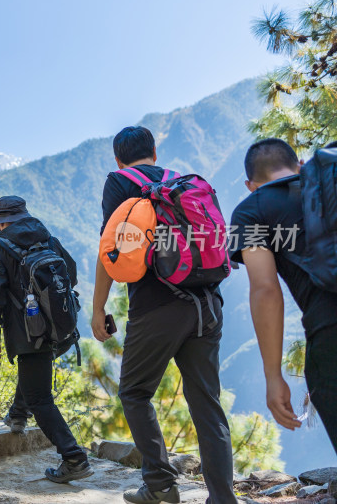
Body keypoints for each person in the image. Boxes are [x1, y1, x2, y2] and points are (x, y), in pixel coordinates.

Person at [91, 127, 237, 504]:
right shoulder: (183, 182)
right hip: (208, 303)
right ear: (154, 153)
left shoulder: (119, 182)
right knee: (207, 402)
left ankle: (159, 485)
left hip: (158, 306)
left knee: (135, 392)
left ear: (118, 158)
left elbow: (112, 248)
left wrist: (98, 308)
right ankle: (223, 498)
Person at [229, 138, 337, 454]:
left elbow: (265, 291)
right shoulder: (325, 181)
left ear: (250, 184)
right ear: (300, 164)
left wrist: (273, 376)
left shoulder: (250, 210)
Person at [0, 195, 93, 483]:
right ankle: (18, 415)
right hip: (59, 325)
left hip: (26, 330)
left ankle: (74, 458)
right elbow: (72, 274)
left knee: (39, 396)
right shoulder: (49, 240)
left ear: (2, 222)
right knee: (35, 376)